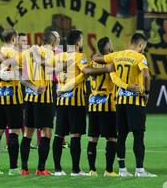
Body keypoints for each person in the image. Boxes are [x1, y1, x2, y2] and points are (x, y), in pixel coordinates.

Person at [92, 33, 156, 177]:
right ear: (140, 45)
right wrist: (146, 92)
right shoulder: (140, 57)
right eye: (144, 46)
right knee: (138, 135)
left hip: (120, 102)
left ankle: (122, 169)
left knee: (121, 136)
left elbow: (97, 58)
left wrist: (98, 58)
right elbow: (146, 75)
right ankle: (139, 170)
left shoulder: (117, 55)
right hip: (135, 102)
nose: (144, 50)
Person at [53, 29, 113, 176]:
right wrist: (106, 68)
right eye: (81, 40)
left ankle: (58, 169)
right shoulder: (80, 56)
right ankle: (75, 169)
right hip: (75, 101)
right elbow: (86, 72)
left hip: (61, 100)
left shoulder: (60, 56)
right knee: (75, 135)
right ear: (78, 42)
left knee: (59, 135)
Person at [0, 30, 41, 175]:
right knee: (14, 132)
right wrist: (34, 87)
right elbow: (21, 77)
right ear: (13, 39)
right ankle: (13, 168)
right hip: (14, 98)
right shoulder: (18, 54)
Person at [86, 37, 140, 177]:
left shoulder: (93, 62)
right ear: (109, 48)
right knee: (112, 138)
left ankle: (92, 170)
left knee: (93, 138)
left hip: (92, 104)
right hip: (108, 106)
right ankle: (109, 170)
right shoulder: (111, 63)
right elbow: (116, 78)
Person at [21, 31, 61, 175]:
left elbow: (23, 78)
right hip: (44, 99)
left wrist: (33, 87)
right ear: (54, 42)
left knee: (28, 133)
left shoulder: (27, 53)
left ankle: (24, 168)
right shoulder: (50, 53)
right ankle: (41, 168)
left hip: (29, 98)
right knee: (46, 132)